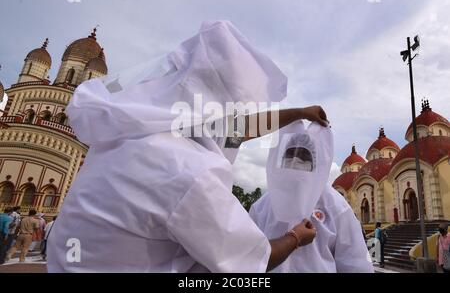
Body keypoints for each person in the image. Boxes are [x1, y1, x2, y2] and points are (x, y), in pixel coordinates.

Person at [47, 20, 327, 272]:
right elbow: (253, 261)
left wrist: (299, 112)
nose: (237, 121)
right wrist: (296, 237)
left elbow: (238, 131)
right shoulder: (189, 172)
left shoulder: (132, 132)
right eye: (235, 109)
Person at [249, 120, 374, 273]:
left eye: (303, 156)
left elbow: (356, 263)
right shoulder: (261, 208)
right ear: (280, 159)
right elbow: (247, 259)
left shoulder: (335, 206)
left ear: (315, 161)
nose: (295, 161)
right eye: (290, 154)